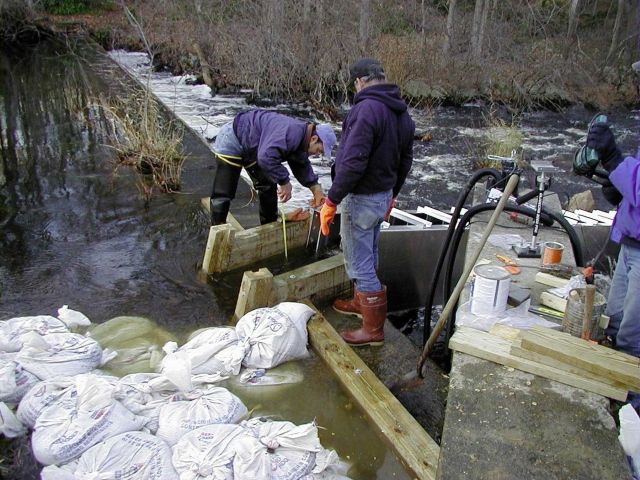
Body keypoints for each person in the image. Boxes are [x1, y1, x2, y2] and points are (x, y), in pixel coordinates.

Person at [319, 58, 415, 346]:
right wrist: (393, 193)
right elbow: (405, 160)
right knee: (370, 253)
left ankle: (372, 331)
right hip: (382, 194)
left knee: (359, 261)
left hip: (361, 198)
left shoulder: (366, 109)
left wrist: (332, 200)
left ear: (360, 81)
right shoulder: (401, 112)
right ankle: (362, 304)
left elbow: (352, 161)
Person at [586, 106, 640, 409]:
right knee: (616, 325)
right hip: (632, 244)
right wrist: (619, 192)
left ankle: (631, 415)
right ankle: (619, 401)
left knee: (634, 339)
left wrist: (614, 159)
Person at [210, 110, 336, 225]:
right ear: (314, 139)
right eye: (319, 150)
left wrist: (316, 189)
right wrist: (284, 181)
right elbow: (265, 157)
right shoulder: (291, 133)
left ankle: (270, 224)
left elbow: (301, 163)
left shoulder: (302, 138)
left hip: (253, 146)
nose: (317, 154)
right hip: (233, 137)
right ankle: (217, 228)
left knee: (268, 184)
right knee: (224, 191)